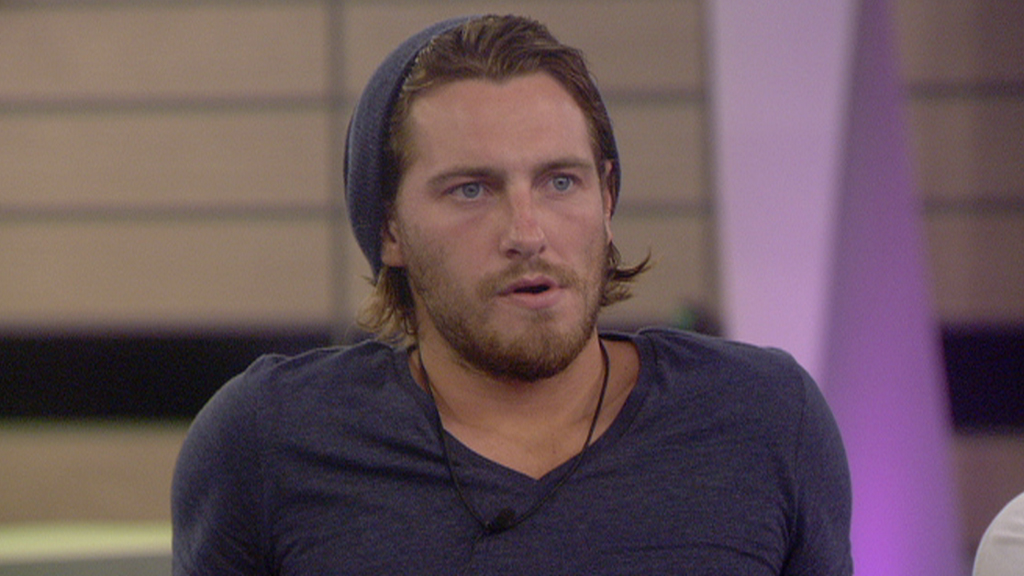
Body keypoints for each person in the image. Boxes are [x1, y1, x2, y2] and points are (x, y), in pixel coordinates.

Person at [172, 14, 852, 575]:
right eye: (471, 190)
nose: (527, 234)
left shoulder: (762, 418)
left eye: (560, 182)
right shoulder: (270, 442)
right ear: (389, 229)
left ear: (607, 199)